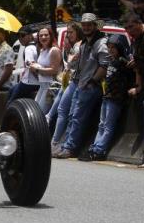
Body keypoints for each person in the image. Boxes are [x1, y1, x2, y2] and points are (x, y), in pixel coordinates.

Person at [54, 13, 110, 159]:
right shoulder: (85, 43)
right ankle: (66, 145)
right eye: (84, 25)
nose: (86, 27)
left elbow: (104, 65)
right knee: (72, 116)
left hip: (90, 86)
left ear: (95, 26)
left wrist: (92, 82)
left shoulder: (101, 43)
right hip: (80, 84)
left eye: (89, 25)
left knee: (77, 117)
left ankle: (70, 147)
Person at [85, 34, 133, 161]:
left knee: (108, 125)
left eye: (114, 47)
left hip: (116, 98)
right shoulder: (111, 60)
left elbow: (131, 67)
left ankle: (100, 149)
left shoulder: (124, 62)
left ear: (120, 48)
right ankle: (95, 147)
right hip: (107, 96)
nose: (111, 50)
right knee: (101, 124)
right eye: (109, 47)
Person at [122, 12, 144, 168]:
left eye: (131, 26)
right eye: (126, 28)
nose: (129, 30)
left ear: (139, 22)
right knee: (141, 101)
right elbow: (138, 66)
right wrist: (138, 86)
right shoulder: (136, 42)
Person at [47, 22, 83, 148]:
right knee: (63, 110)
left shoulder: (78, 46)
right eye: (67, 32)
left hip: (76, 82)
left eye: (71, 32)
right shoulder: (74, 47)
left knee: (63, 111)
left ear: (78, 32)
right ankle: (56, 139)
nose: (68, 35)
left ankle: (55, 142)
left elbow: (70, 66)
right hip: (71, 81)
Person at [31, 27, 62, 113]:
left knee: (40, 114)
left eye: (46, 35)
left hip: (51, 88)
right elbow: (42, 67)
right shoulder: (42, 50)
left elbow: (54, 71)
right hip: (42, 86)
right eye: (41, 36)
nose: (43, 37)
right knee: (35, 112)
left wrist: (37, 69)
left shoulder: (54, 50)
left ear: (51, 36)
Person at [7, 26, 39, 104]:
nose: (20, 38)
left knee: (11, 103)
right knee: (12, 90)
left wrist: (40, 79)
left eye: (23, 35)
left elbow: (32, 66)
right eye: (18, 36)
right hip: (33, 82)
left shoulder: (28, 49)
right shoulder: (35, 46)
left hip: (29, 83)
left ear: (30, 35)